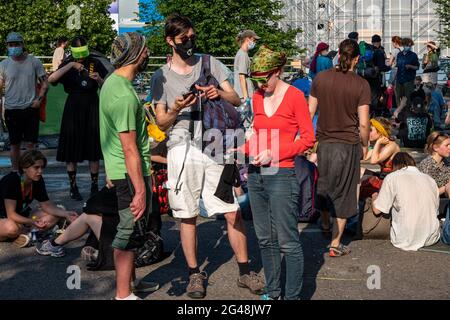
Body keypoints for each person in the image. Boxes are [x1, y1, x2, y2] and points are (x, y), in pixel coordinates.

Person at [152, 14, 264, 299]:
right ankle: (194, 275)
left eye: (192, 36)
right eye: (183, 39)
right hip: (181, 146)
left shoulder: (210, 62)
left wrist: (218, 93)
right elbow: (162, 123)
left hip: (216, 142)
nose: (189, 42)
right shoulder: (160, 76)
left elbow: (237, 99)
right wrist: (177, 108)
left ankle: (244, 271)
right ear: (170, 41)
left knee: (231, 209)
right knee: (187, 214)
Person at [243, 45, 314, 300]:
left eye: (265, 79)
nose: (261, 85)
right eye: (256, 80)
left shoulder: (295, 96)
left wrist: (276, 153)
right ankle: (272, 292)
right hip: (256, 174)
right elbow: (258, 136)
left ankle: (292, 296)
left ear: (279, 71)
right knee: (265, 239)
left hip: (282, 174)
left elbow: (308, 138)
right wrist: (240, 148)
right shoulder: (257, 97)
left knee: (288, 242)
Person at [99, 32, 155, 301]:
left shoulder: (113, 83)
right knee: (128, 231)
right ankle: (122, 295)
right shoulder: (123, 94)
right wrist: (140, 189)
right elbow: (129, 147)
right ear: (135, 54)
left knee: (133, 230)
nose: (147, 54)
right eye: (145, 50)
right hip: (130, 173)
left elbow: (107, 134)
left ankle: (130, 286)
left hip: (121, 170)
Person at [309, 39, 371, 257]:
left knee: (324, 184)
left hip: (324, 142)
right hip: (348, 144)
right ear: (356, 59)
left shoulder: (321, 78)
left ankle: (325, 224)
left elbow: (310, 113)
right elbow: (364, 124)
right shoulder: (361, 84)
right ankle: (335, 243)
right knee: (345, 192)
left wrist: (308, 141)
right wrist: (365, 144)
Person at [48, 36, 108, 201]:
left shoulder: (94, 62)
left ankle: (94, 186)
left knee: (93, 150)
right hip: (73, 106)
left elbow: (108, 85)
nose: (81, 57)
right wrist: (70, 65)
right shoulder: (68, 62)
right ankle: (73, 187)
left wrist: (99, 79)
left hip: (92, 105)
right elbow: (51, 79)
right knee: (71, 150)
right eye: (78, 54)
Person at [0, 150, 78, 247]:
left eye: (42, 167)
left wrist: (66, 214)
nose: (40, 171)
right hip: (5, 219)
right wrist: (33, 222)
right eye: (36, 167)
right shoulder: (11, 181)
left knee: (58, 211)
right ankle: (25, 233)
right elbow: (11, 215)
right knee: (11, 228)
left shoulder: (37, 180)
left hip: (22, 218)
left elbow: (46, 205)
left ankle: (25, 235)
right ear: (24, 168)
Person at [372, 152, 441, 251]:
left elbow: (377, 210)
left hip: (404, 238)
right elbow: (435, 210)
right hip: (431, 237)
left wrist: (374, 196)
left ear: (394, 165)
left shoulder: (392, 177)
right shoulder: (429, 179)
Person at [0, 32, 48, 171]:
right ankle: (15, 171)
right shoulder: (4, 64)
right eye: (10, 45)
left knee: (30, 145)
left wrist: (39, 100)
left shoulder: (34, 61)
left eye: (16, 44)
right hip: (11, 109)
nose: (13, 47)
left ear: (22, 45)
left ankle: (29, 171)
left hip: (30, 109)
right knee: (14, 144)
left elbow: (45, 83)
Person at [234, 30, 260, 129]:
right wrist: (246, 98)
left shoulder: (243, 54)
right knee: (246, 124)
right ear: (247, 39)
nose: (255, 43)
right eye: (254, 40)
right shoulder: (243, 55)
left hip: (246, 94)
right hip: (244, 96)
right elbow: (242, 76)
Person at [418, 132, 450, 197]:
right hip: (429, 203)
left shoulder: (446, 162)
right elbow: (426, 193)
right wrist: (446, 187)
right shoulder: (427, 166)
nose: (449, 147)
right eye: (447, 145)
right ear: (435, 148)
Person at [366, 35, 391, 116]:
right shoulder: (379, 52)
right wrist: (389, 67)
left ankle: (368, 113)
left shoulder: (368, 51)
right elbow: (382, 67)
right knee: (377, 96)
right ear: (379, 41)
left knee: (370, 95)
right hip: (377, 77)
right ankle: (375, 114)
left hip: (367, 76)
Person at [395, 38, 419, 109]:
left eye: (410, 45)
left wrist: (410, 66)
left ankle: (408, 111)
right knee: (398, 96)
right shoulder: (399, 55)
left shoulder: (413, 55)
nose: (409, 47)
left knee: (408, 97)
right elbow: (397, 67)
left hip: (408, 80)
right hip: (399, 79)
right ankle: (399, 112)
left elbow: (417, 67)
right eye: (407, 45)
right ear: (403, 45)